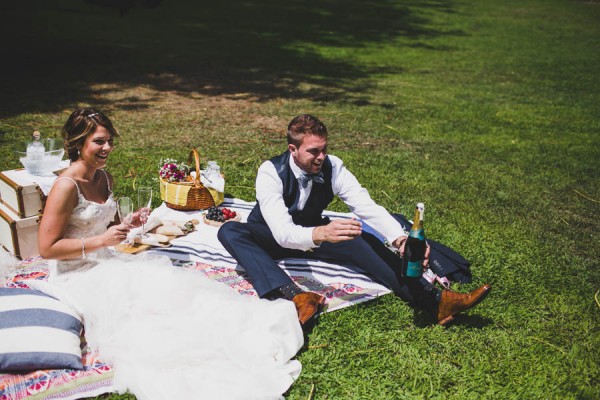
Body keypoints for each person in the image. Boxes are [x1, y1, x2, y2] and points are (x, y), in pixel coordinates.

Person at [37, 107, 304, 400]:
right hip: (76, 274)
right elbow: (47, 248)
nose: (108, 148)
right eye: (99, 142)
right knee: (142, 317)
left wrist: (125, 224)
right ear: (78, 143)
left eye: (110, 140)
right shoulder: (65, 186)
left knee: (171, 293)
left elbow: (108, 227)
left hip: (106, 262)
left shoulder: (104, 177)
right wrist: (101, 241)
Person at [218, 114, 491, 326]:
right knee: (230, 232)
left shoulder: (333, 166)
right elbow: (282, 233)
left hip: (315, 232)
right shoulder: (270, 171)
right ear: (293, 149)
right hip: (269, 236)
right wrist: (321, 234)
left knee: (360, 237)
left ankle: (435, 302)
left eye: (324, 149)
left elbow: (364, 205)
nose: (321, 157)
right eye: (313, 151)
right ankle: (297, 296)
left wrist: (400, 238)